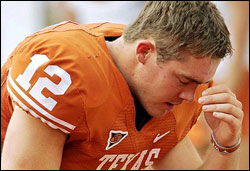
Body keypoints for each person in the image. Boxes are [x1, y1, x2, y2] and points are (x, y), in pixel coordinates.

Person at [1, 1, 244, 170]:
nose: (191, 96)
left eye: (199, 83)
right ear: (144, 52)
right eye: (183, 80)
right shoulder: (64, 72)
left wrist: (225, 144)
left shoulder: (171, 92)